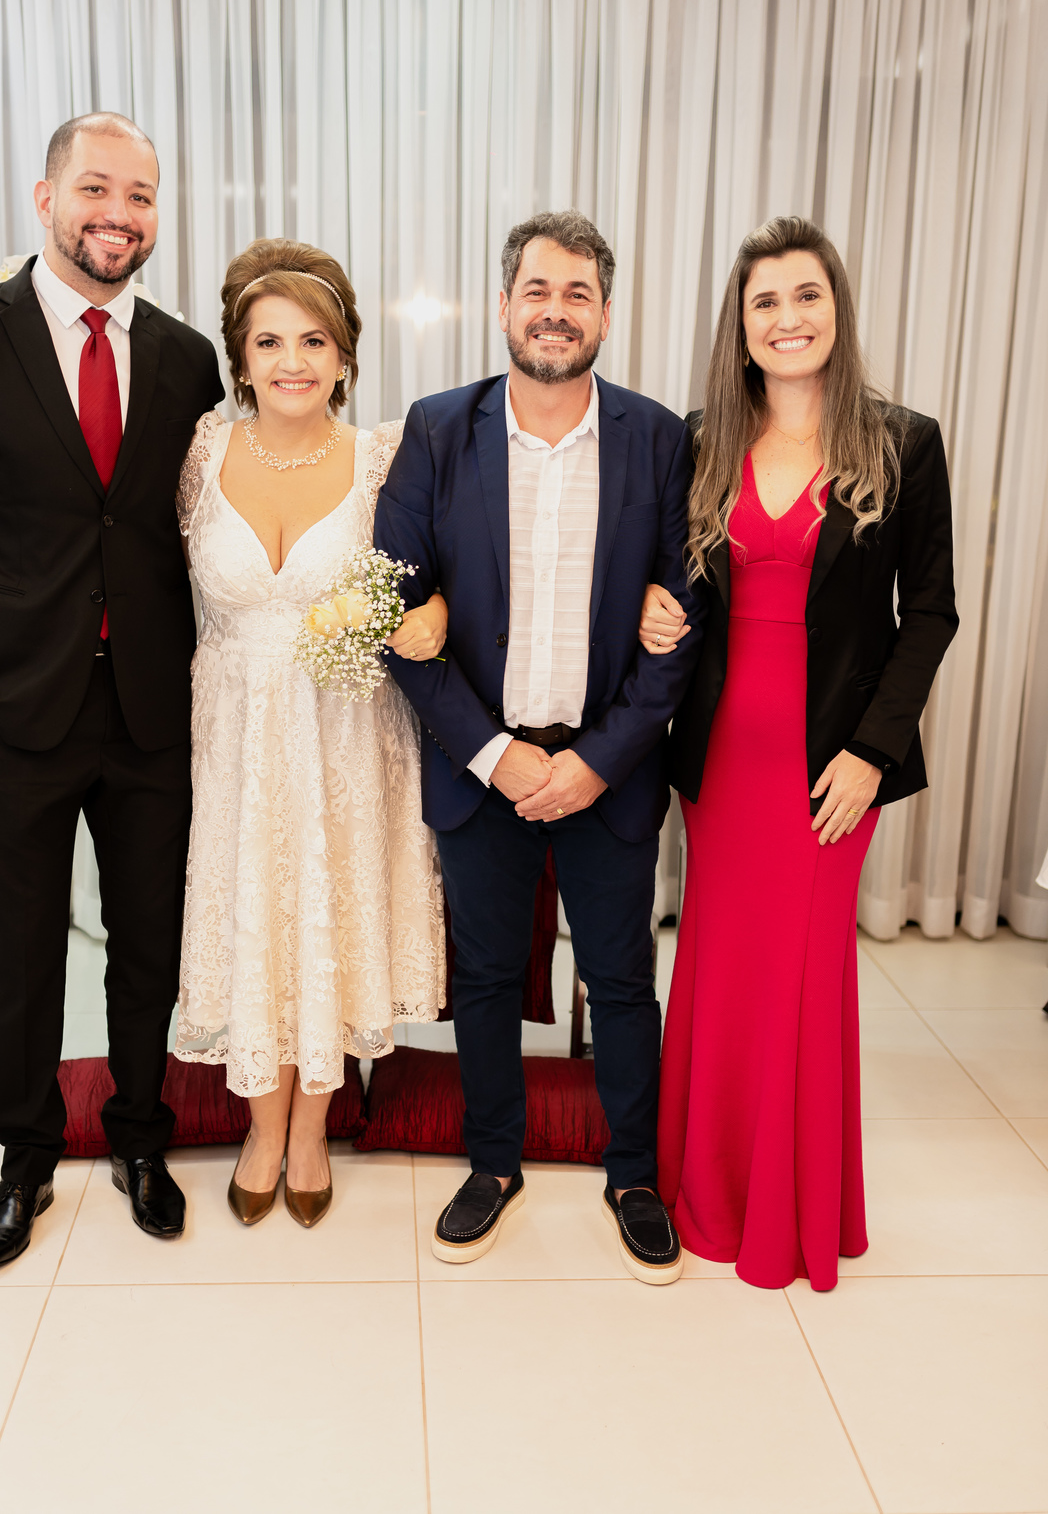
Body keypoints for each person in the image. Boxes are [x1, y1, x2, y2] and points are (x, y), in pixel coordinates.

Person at [0, 113, 225, 1265]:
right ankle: (24, 1157)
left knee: (147, 942)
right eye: (95, 189)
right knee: (22, 952)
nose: (117, 214)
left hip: (152, 709)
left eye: (140, 195)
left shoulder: (187, 358)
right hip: (14, 707)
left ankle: (140, 1136)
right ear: (45, 197)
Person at [375, 211, 704, 1283]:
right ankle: (493, 1161)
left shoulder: (660, 439)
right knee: (483, 975)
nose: (555, 311)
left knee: (621, 977)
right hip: (484, 768)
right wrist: (493, 754)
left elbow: (684, 622)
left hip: (610, 769)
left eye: (577, 293)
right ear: (504, 304)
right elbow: (392, 613)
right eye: (537, 290)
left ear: (606, 313)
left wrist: (598, 760)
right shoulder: (437, 429)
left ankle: (634, 1175)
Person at [642, 215, 958, 1291]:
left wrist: (873, 753)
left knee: (803, 978)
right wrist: (651, 612)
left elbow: (932, 614)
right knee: (721, 970)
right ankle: (701, 1188)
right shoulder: (702, 440)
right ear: (740, 324)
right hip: (721, 758)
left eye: (806, 295)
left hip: (832, 769)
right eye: (765, 301)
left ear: (837, 309)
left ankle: (790, 1214)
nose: (787, 318)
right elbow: (674, 587)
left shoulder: (904, 441)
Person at [174, 239, 446, 1229]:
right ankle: (261, 1122)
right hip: (236, 738)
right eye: (270, 342)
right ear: (241, 359)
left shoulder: (382, 458)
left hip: (346, 737)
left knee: (327, 916)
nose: (293, 361)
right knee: (256, 916)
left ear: (345, 356)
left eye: (314, 341)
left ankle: (312, 1125)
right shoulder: (201, 452)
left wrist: (437, 613)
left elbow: (442, 572)